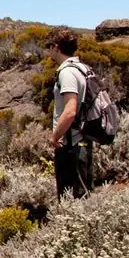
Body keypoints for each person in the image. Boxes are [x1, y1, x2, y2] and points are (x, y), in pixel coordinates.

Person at [44, 28, 93, 199]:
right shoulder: (82, 68)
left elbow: (70, 111)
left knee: (71, 199)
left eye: (48, 46)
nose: (47, 51)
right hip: (82, 140)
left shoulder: (67, 72)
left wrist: (55, 136)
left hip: (71, 144)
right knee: (82, 196)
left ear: (56, 47)